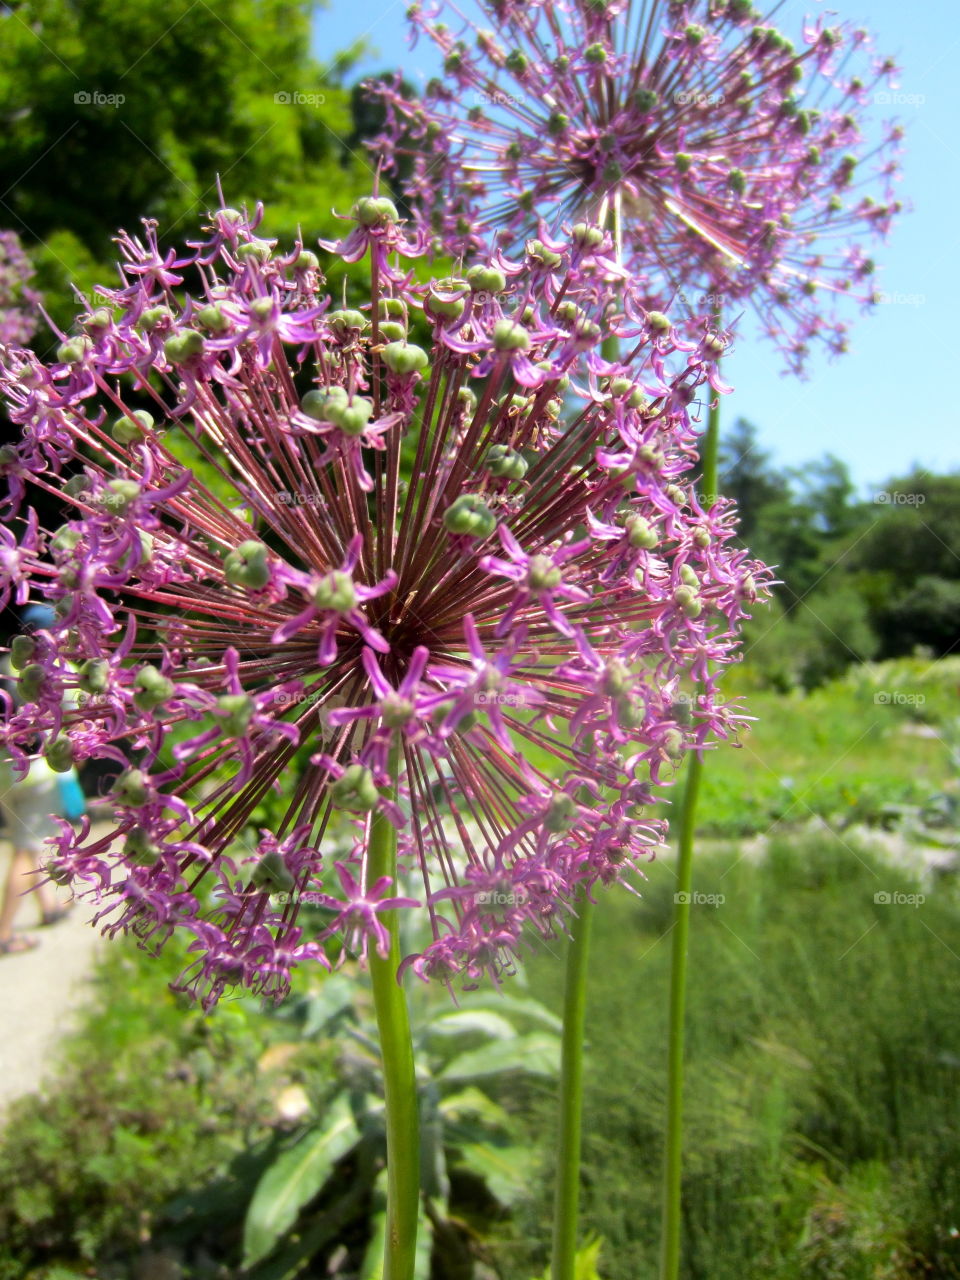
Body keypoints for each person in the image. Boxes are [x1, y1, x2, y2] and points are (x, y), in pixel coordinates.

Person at [0, 603, 73, 956]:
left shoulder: (5, 666)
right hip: (34, 773)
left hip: (5, 773)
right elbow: (78, 714)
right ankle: (4, 931)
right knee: (24, 852)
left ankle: (48, 906)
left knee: (31, 840)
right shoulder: (58, 671)